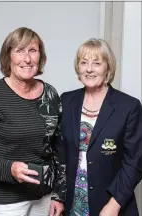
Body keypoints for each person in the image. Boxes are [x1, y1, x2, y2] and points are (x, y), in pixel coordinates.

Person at [0, 27, 66, 216]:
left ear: (40, 56)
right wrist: (10, 169)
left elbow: (59, 148)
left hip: (44, 198)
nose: (27, 59)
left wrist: (58, 195)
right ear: (8, 57)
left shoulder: (51, 94)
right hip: (6, 201)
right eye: (19, 50)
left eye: (33, 50)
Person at [61, 38, 142, 216]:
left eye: (96, 63)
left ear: (107, 67)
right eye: (84, 62)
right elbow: (59, 154)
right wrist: (57, 197)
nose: (89, 69)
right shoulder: (66, 101)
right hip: (72, 204)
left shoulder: (128, 106)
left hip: (112, 204)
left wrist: (115, 204)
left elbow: (135, 161)